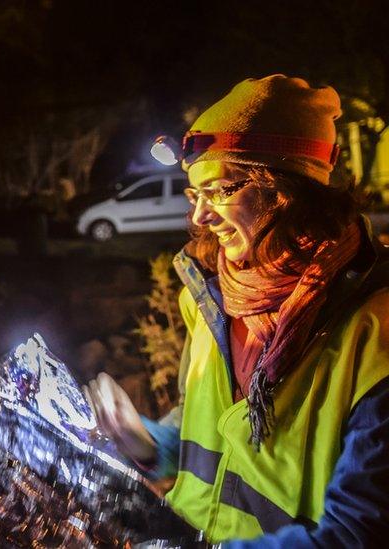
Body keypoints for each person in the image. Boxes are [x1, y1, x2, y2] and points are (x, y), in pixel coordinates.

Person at [86, 75, 389, 546]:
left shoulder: (376, 329)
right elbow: (210, 438)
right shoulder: (208, 296)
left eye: (221, 190)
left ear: (287, 190)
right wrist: (146, 442)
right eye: (195, 195)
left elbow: (360, 534)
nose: (200, 217)